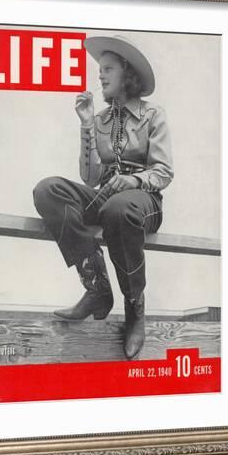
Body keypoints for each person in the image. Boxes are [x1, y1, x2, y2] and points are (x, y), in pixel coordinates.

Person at [32, 34, 174, 359]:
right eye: (100, 71)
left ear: (127, 74)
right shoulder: (100, 121)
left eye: (108, 69)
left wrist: (132, 180)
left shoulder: (154, 115)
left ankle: (134, 309)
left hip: (142, 201)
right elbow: (91, 177)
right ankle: (97, 288)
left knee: (118, 209)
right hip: (104, 197)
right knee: (48, 190)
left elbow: (163, 173)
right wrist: (85, 125)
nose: (101, 76)